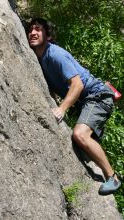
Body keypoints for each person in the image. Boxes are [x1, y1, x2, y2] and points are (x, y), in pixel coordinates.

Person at [27, 17, 121, 195]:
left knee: (80, 134)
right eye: (30, 29)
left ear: (48, 36)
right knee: (83, 143)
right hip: (86, 101)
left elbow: (77, 84)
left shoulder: (54, 53)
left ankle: (113, 178)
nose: (32, 32)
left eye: (38, 29)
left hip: (97, 96)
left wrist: (61, 109)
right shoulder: (40, 59)